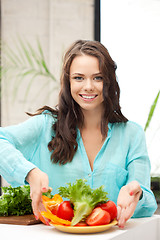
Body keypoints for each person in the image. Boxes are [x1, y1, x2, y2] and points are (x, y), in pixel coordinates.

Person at [0, 40, 157, 228]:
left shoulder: (132, 134)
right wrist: (30, 173)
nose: (88, 86)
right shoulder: (44, 125)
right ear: (68, 82)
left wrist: (136, 193)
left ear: (109, 81)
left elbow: (146, 205)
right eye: (79, 78)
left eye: (97, 78)